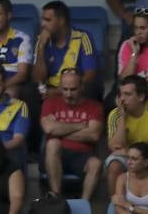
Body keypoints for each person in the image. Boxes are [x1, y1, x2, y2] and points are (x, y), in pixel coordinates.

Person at [41, 68, 104, 200]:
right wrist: (79, 126)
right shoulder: (50, 103)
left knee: (96, 164)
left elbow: (93, 135)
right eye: (65, 89)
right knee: (53, 143)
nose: (68, 94)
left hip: (83, 156)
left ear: (82, 87)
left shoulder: (94, 106)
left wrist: (60, 130)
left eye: (73, 89)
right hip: (56, 153)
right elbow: (49, 129)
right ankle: (56, 197)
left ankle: (83, 204)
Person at [106, 77, 148, 190]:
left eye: (128, 94)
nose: (122, 99)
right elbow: (115, 147)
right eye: (121, 94)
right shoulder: (115, 115)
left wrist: (131, 152)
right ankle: (115, 203)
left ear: (141, 97)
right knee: (114, 165)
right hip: (127, 157)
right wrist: (122, 118)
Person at [32, 1, 98, 95]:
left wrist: (60, 91)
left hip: (74, 88)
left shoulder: (82, 37)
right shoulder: (41, 40)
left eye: (47, 20)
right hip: (49, 89)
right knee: (30, 90)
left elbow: (90, 75)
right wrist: (42, 46)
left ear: (61, 21)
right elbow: (37, 79)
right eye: (42, 20)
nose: (43, 24)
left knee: (91, 88)